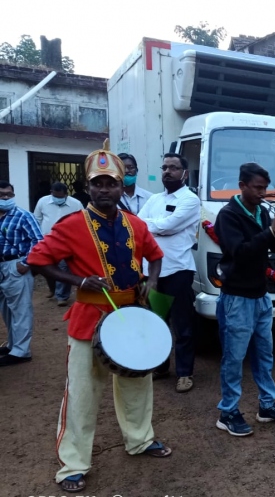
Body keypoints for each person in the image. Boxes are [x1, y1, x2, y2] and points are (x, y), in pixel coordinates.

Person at [28, 142, 172, 493]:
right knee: (82, 393)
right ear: (87, 187)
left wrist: (149, 285)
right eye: (98, 183)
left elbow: (156, 256)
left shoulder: (136, 225)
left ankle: (139, 439)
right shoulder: (71, 225)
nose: (105, 190)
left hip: (130, 315)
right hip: (88, 317)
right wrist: (78, 280)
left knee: (138, 384)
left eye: (111, 184)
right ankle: (73, 464)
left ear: (122, 187)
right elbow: (37, 259)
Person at [214, 162, 275, 437]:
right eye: (258, 188)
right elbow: (240, 252)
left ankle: (267, 404)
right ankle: (227, 412)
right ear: (242, 186)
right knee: (234, 357)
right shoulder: (228, 215)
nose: (263, 193)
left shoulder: (262, 212)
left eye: (265, 187)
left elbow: (271, 247)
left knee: (264, 354)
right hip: (236, 297)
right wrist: (272, 231)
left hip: (261, 295)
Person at [138, 153, 200, 393]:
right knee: (158, 322)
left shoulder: (190, 200)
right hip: (153, 273)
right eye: (164, 167)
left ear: (184, 173)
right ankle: (161, 367)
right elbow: (139, 224)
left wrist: (155, 225)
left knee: (183, 325)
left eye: (173, 168)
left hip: (178, 270)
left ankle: (185, 373)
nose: (167, 171)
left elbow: (166, 226)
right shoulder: (153, 199)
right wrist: (158, 226)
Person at [0, 181, 43, 367]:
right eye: (2, 195)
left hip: (15, 265)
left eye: (10, 194)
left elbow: (39, 241)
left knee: (21, 309)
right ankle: (12, 344)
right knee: (6, 310)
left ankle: (21, 351)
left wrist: (26, 263)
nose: (7, 198)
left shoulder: (23, 216)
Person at [33, 182, 83, 306]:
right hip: (46, 241)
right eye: (55, 195)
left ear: (66, 194)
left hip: (67, 242)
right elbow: (37, 219)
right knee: (47, 267)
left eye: (60, 197)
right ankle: (52, 289)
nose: (57, 199)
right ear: (51, 192)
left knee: (63, 268)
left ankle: (62, 296)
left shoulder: (76, 204)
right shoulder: (43, 202)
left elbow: (82, 222)